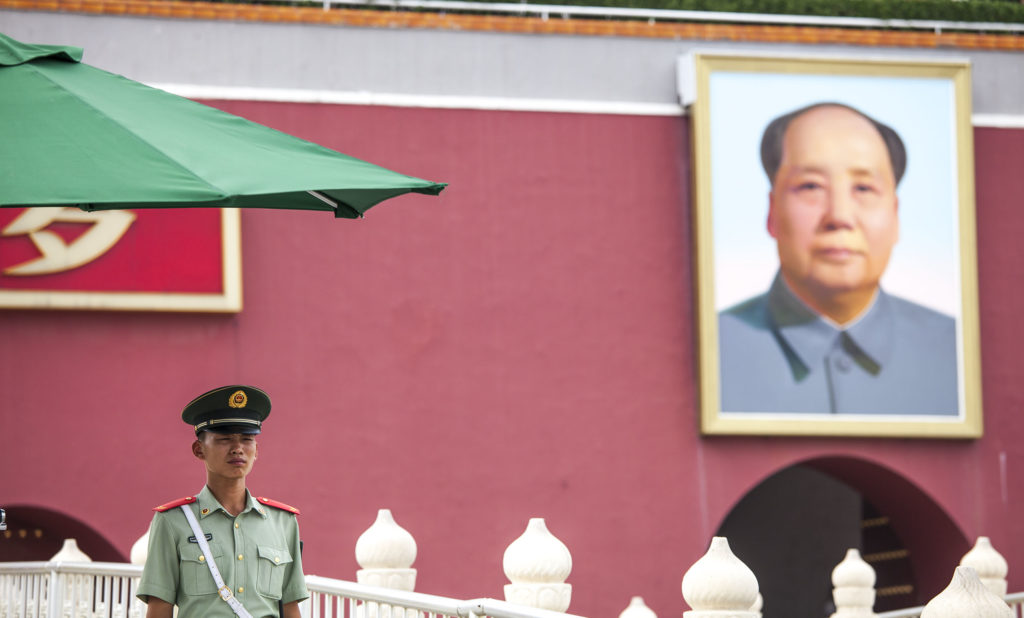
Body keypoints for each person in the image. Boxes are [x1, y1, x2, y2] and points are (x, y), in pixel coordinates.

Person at [718, 102, 958, 415]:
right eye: (811, 186)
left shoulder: (959, 354)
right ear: (772, 212)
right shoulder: (712, 350)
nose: (840, 216)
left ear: (896, 215)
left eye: (863, 188)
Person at [137, 385, 308, 617]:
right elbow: (159, 608)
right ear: (199, 450)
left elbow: (289, 606)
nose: (237, 449)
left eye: (247, 439)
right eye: (224, 439)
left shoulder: (283, 522)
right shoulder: (172, 521)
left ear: (256, 450)